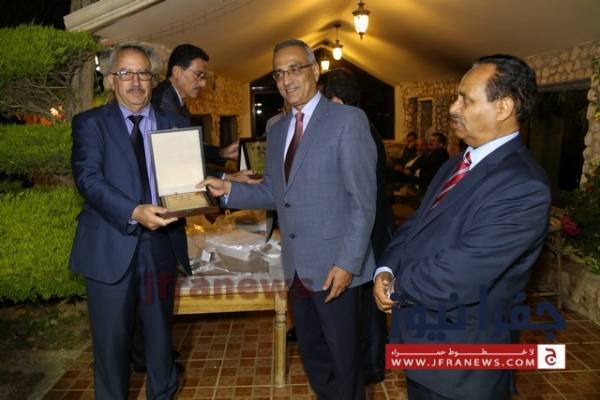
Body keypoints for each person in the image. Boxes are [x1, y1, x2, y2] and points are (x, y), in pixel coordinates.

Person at [199, 39, 377, 400]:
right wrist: (228, 190)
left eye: (294, 69)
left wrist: (347, 263)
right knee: (313, 357)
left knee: (345, 362)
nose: (286, 80)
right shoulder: (278, 129)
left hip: (336, 268)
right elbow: (274, 192)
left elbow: (363, 202)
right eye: (279, 73)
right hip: (296, 268)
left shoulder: (347, 121)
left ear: (315, 70)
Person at [373, 54, 551, 400]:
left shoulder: (523, 186)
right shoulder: (458, 163)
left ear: (503, 107)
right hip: (421, 343)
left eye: (465, 100)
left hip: (462, 364)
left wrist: (396, 287)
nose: (454, 108)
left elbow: (463, 272)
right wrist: (386, 267)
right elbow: (417, 224)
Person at [70, 45, 188, 399]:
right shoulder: (90, 124)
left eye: (143, 74)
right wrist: (134, 211)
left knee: (160, 340)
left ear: (152, 80)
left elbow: (187, 179)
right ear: (111, 80)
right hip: (109, 246)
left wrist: (221, 182)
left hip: (161, 246)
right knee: (111, 345)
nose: (136, 82)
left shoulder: (174, 124)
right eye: (126, 73)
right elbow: (88, 179)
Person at [321, 68, 393, 384]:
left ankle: (372, 367)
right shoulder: (361, 124)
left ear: (336, 101)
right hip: (371, 225)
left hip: (371, 229)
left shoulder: (357, 128)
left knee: (369, 303)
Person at [151, 43, 238, 166]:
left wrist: (222, 153)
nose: (203, 84)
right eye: (197, 75)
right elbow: (175, 162)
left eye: (203, 77)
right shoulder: (162, 104)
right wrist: (223, 175)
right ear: (177, 72)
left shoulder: (175, 99)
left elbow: (188, 145)